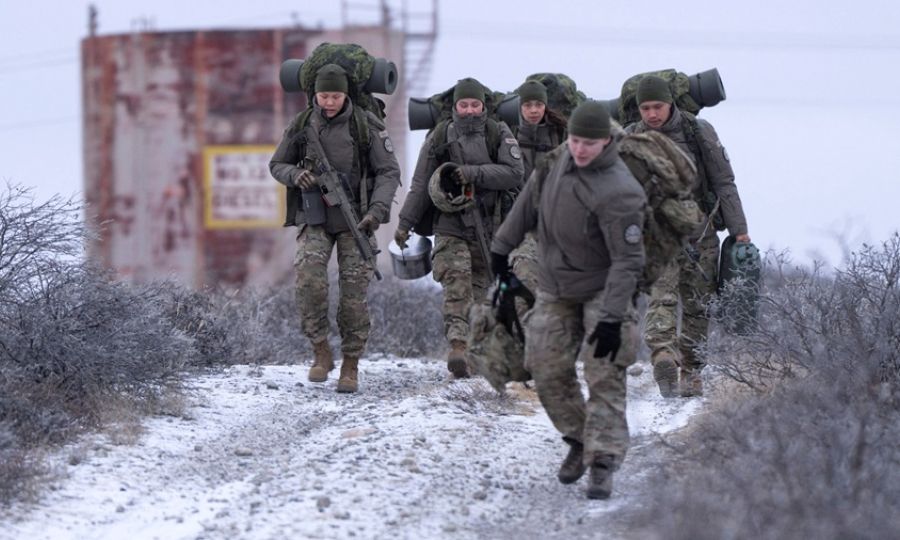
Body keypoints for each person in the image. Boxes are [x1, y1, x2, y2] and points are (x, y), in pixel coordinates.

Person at [491, 100, 647, 500]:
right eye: (575, 140)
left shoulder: (621, 191)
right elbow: (526, 204)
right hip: (556, 286)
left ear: (606, 142)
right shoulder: (556, 162)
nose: (579, 149)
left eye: (588, 143)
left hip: (604, 290)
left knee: (604, 372)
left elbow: (628, 262)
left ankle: (603, 462)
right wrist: (500, 250)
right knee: (544, 367)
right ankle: (580, 438)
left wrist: (611, 319)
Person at [269, 64, 401, 393]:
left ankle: (350, 364)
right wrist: (295, 175)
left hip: (357, 220)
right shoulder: (302, 124)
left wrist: (377, 211)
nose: (329, 102)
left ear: (346, 95)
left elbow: (389, 172)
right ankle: (320, 350)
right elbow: (277, 164)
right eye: (324, 96)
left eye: (336, 96)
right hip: (315, 217)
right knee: (309, 281)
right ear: (314, 95)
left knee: (353, 298)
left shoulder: (365, 125)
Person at [625, 75, 751, 397]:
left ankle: (692, 370)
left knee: (698, 304)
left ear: (671, 103)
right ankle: (663, 356)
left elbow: (724, 182)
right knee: (661, 297)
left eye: (658, 106)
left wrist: (739, 230)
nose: (652, 114)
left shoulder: (698, 132)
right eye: (645, 108)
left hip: (700, 233)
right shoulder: (630, 138)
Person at [394, 77, 524, 378]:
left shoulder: (498, 132)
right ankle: (458, 346)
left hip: (489, 227)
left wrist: (472, 173)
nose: (469, 110)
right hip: (449, 223)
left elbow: (514, 173)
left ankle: (475, 352)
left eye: (474, 104)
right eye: (463, 105)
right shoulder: (440, 135)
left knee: (480, 292)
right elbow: (420, 184)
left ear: (483, 106)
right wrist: (404, 224)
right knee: (456, 281)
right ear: (455, 107)